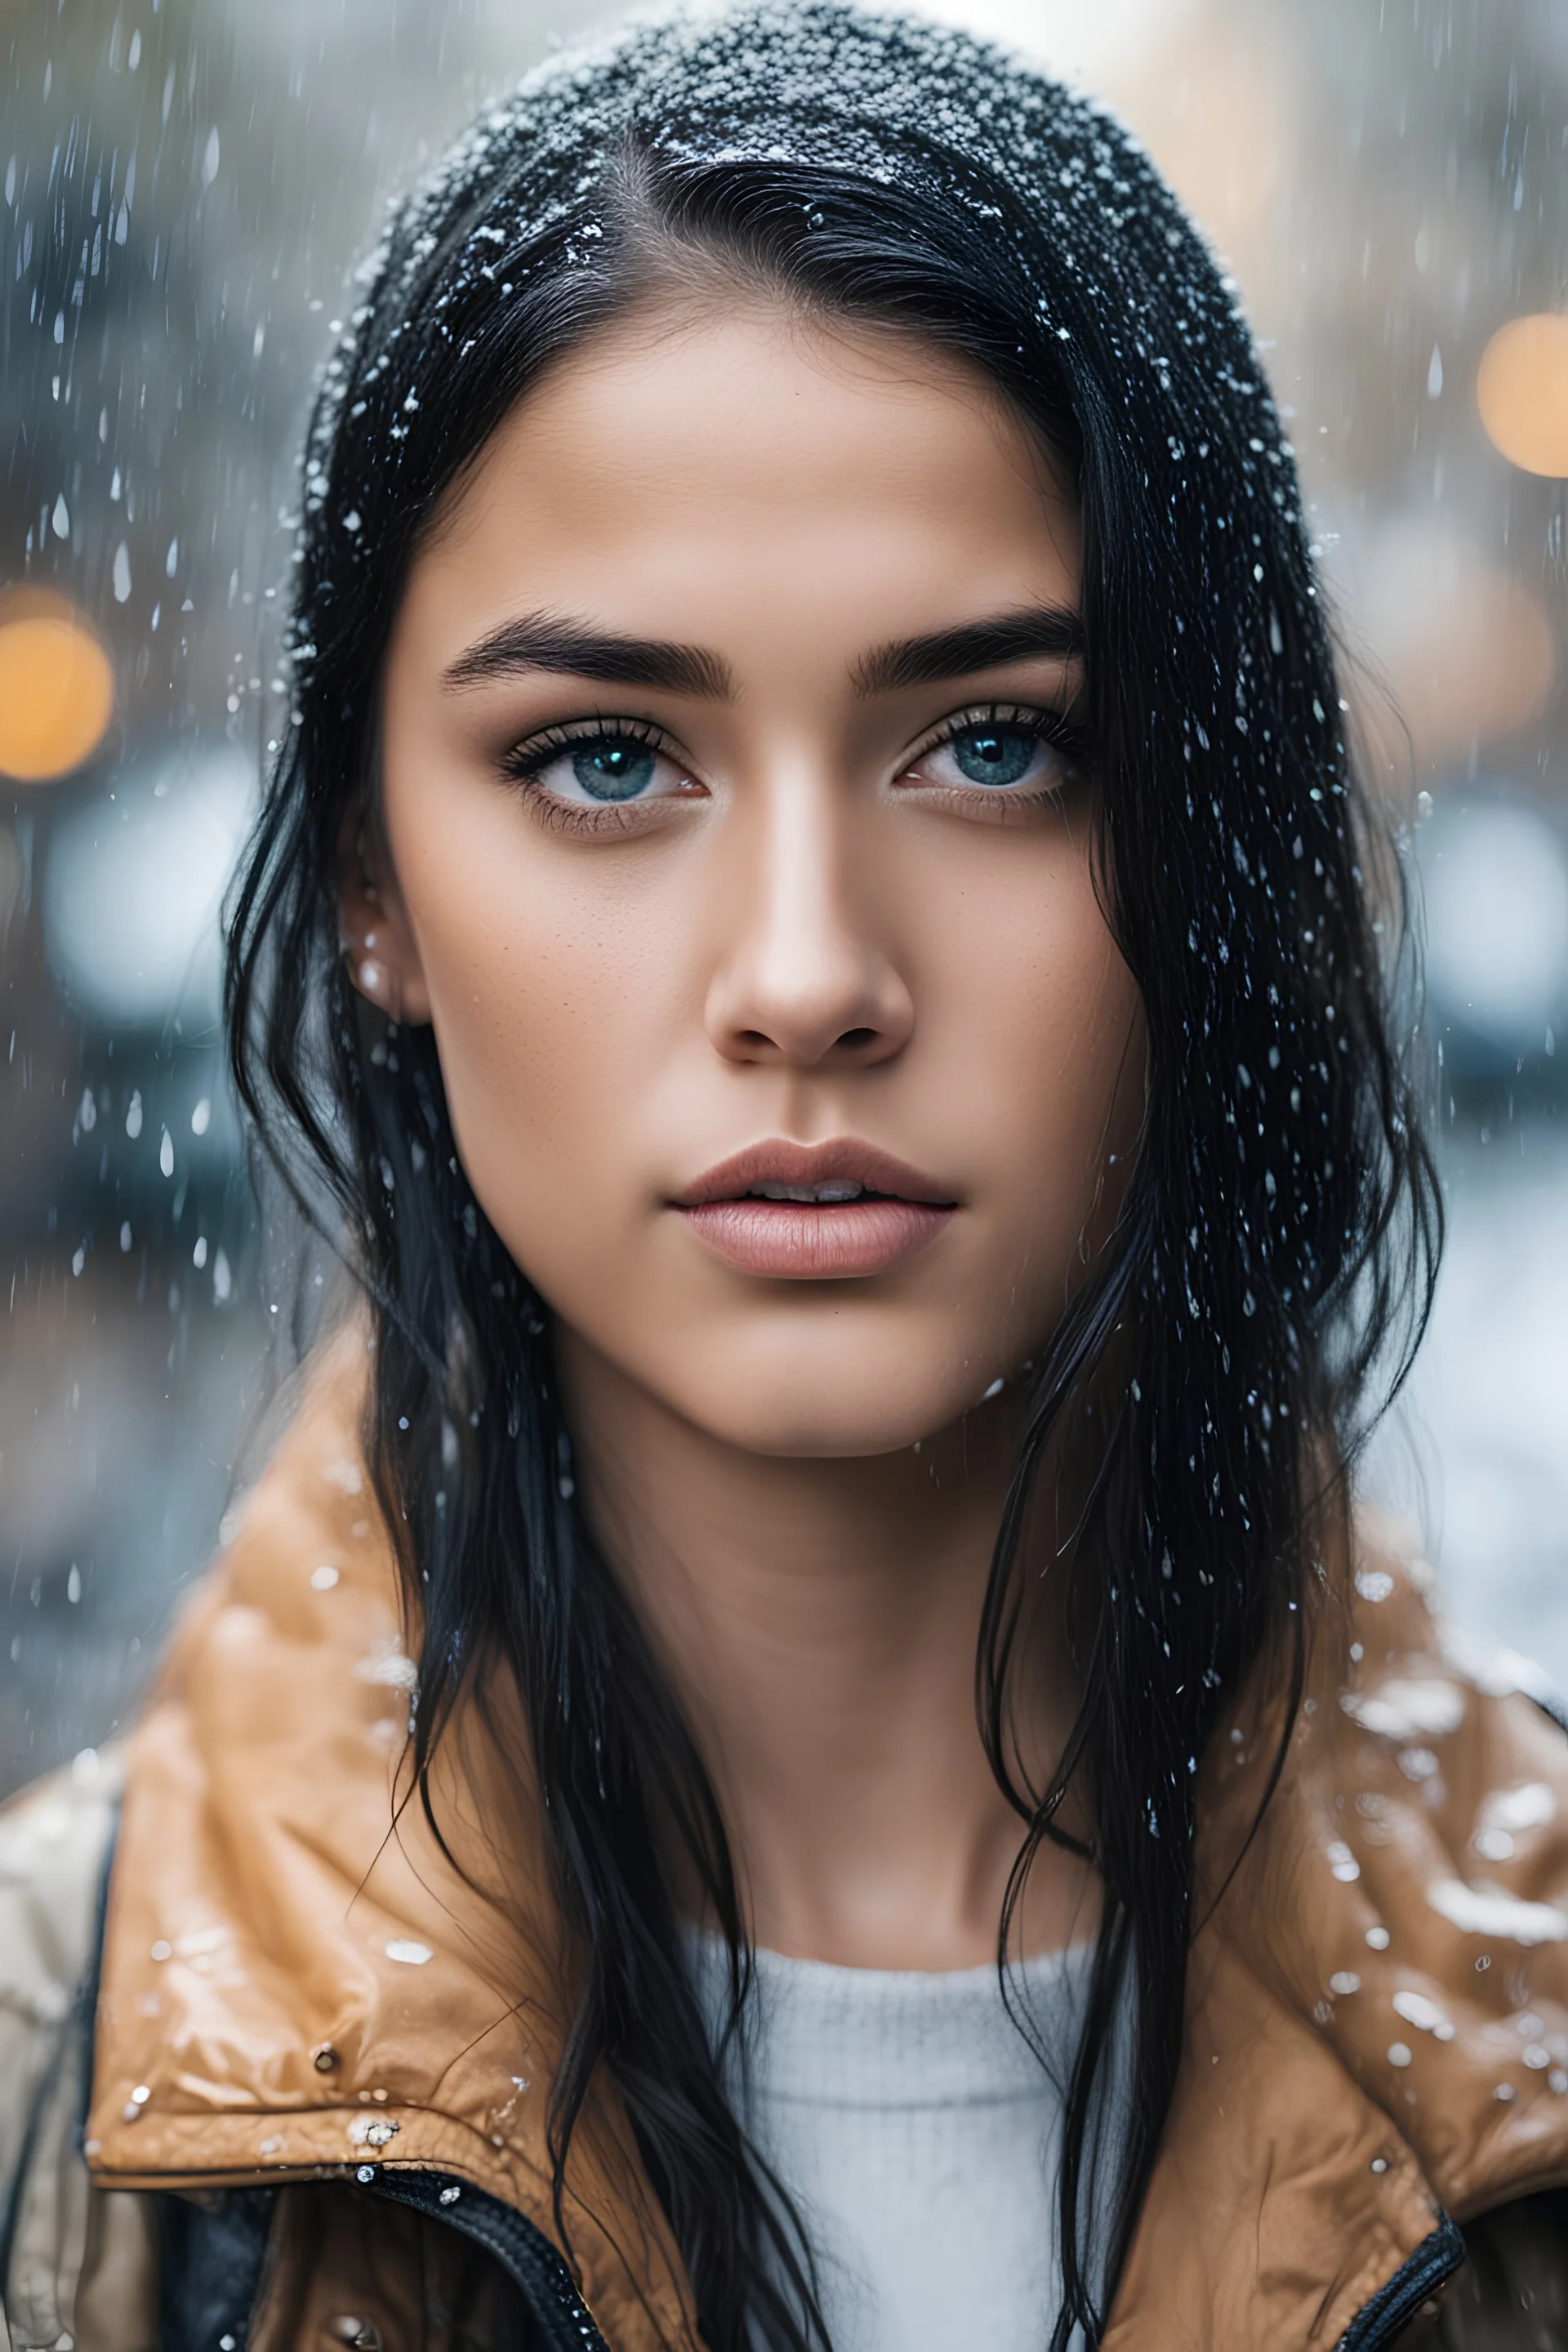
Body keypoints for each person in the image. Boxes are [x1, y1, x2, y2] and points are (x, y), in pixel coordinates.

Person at [4, 5, 1566, 2346]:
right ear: (370, 884)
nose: (811, 975)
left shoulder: (1525, 2057)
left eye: (998, 744)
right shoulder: (54, 2092)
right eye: (612, 757)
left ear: (1217, 836)